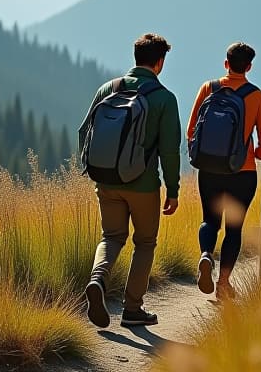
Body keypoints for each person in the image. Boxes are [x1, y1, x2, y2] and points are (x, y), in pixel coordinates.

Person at [78, 33, 181, 328]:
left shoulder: (106, 90)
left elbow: (85, 132)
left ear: (135, 57)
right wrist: (172, 191)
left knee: (111, 237)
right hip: (143, 185)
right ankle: (133, 309)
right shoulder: (164, 98)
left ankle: (97, 280)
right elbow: (169, 150)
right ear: (160, 63)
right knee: (145, 242)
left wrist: (95, 169)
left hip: (106, 180)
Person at [187, 42, 261, 300]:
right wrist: (256, 154)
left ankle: (205, 255)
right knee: (233, 229)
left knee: (209, 220)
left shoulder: (209, 88)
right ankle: (223, 283)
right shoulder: (257, 97)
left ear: (226, 63)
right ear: (248, 67)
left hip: (210, 169)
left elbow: (192, 130)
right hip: (242, 172)